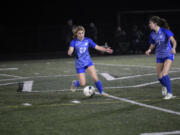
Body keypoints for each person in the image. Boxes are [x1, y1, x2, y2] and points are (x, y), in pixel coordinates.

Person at [68, 26, 113, 95]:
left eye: (82, 33)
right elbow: (71, 49)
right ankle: (75, 83)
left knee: (95, 78)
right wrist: (70, 51)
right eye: (79, 33)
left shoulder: (88, 40)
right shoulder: (73, 42)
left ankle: (102, 92)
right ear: (76, 34)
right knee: (82, 83)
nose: (81, 35)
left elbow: (97, 47)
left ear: (84, 33)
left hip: (88, 62)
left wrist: (105, 49)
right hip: (79, 64)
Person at [145, 16, 177, 100]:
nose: (149, 25)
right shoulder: (152, 34)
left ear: (155, 24)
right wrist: (149, 50)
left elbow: (174, 41)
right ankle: (164, 86)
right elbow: (153, 44)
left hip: (168, 55)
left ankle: (169, 93)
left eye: (150, 23)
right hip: (159, 56)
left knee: (164, 74)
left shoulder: (165, 31)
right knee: (159, 77)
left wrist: (173, 48)